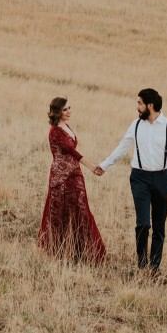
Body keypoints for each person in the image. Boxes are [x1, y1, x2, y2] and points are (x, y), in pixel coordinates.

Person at [94, 88, 167, 277]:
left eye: (139, 104)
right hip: (139, 178)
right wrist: (104, 166)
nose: (137, 108)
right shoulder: (135, 125)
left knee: (158, 226)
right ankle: (142, 266)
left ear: (150, 105)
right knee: (142, 224)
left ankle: (154, 269)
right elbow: (122, 148)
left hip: (161, 179)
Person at [37, 97, 106, 263]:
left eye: (69, 108)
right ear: (57, 112)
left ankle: (82, 250)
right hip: (61, 177)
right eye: (65, 109)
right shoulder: (55, 131)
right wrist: (90, 166)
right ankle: (58, 249)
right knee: (61, 211)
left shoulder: (66, 127)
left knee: (81, 208)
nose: (69, 112)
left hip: (74, 172)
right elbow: (71, 152)